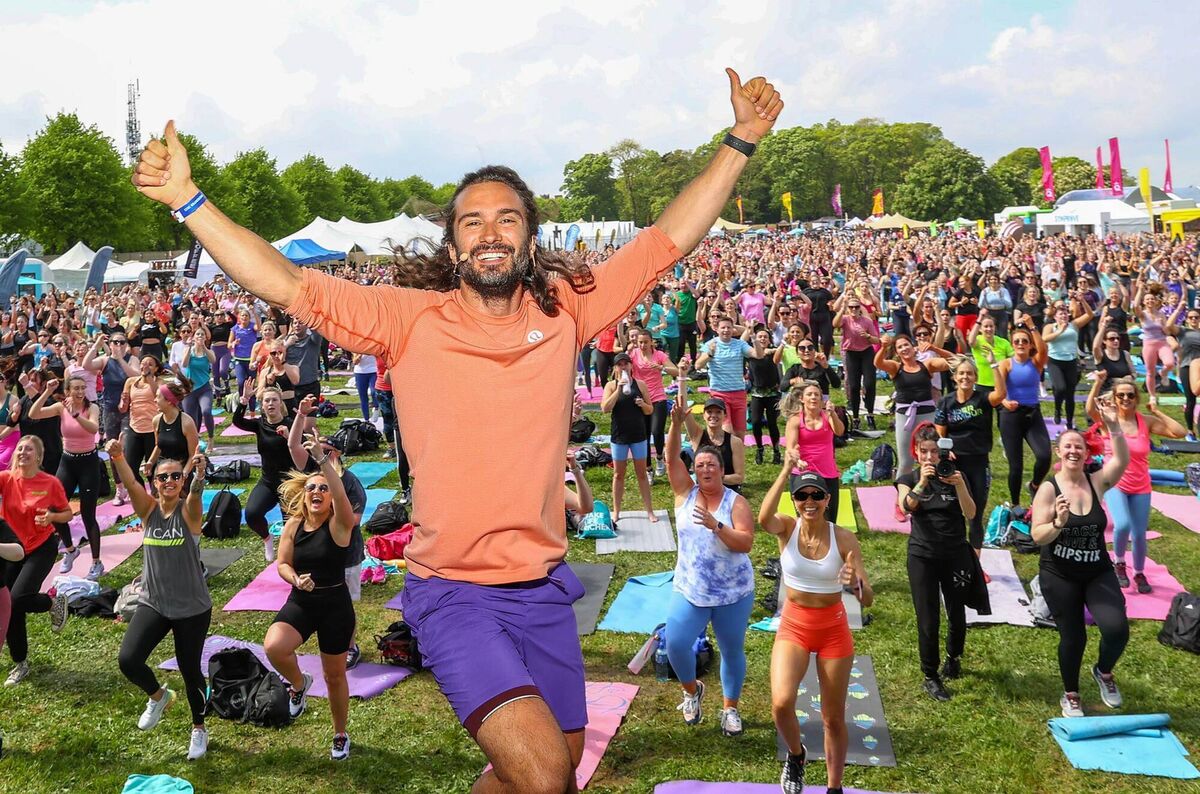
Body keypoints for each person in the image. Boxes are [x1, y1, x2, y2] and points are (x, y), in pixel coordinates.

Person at [133, 66, 782, 791]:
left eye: (507, 219)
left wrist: (742, 140)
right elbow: (282, 281)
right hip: (453, 595)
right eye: (471, 222)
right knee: (541, 777)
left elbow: (667, 240)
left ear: (531, 240)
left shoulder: (568, 306)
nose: (490, 233)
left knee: (554, 776)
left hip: (542, 589)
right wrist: (188, 201)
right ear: (453, 247)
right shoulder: (409, 321)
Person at [760, 464, 872, 794]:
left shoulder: (844, 538)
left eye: (817, 495)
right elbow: (764, 518)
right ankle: (796, 756)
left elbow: (868, 600)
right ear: (793, 500)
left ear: (827, 500)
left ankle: (834, 787)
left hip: (833, 630)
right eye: (802, 495)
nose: (809, 501)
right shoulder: (787, 528)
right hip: (794, 625)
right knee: (781, 704)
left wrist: (857, 586)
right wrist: (783, 473)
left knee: (832, 717)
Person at [109, 442, 212, 760]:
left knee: (190, 669)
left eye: (175, 477)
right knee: (128, 660)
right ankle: (158, 696)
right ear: (154, 482)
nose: (169, 481)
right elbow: (130, 483)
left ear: (182, 480)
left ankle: (198, 728)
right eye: (163, 477)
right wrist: (117, 456)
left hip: (191, 607)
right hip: (153, 602)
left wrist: (198, 478)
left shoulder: (189, 510)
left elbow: (195, 496)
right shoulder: (149, 511)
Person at [1031, 406, 1130, 718]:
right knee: (1074, 637)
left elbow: (1122, 461)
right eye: (1068, 446)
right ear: (1059, 451)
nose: (1073, 450)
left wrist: (1114, 426)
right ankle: (1071, 694)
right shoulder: (1049, 488)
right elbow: (1038, 536)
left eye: (1079, 446)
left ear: (1088, 452)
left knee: (1116, 629)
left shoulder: (1095, 481)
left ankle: (1103, 672)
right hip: (1059, 574)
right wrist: (1058, 523)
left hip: (1097, 570)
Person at [663, 400, 755, 736]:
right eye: (700, 465)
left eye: (711, 465)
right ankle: (692, 691)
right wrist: (675, 424)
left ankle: (730, 708)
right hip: (691, 588)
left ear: (720, 469)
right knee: (675, 643)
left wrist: (717, 526)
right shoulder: (684, 494)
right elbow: (670, 458)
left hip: (733, 592)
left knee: (732, 649)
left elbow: (745, 543)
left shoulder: (736, 503)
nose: (705, 470)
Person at [265, 432, 356, 760]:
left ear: (331, 497)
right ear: (303, 496)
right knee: (274, 646)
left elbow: (344, 499)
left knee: (334, 676)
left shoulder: (339, 526)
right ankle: (299, 683)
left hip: (334, 606)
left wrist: (321, 460)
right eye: (312, 487)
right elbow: (282, 563)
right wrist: (294, 579)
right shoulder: (293, 524)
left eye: (324, 488)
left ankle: (340, 733)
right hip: (302, 602)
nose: (317, 491)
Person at [896, 423, 984, 701]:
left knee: (957, 612)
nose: (930, 457)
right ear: (917, 453)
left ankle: (953, 657)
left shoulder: (957, 476)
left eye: (935, 452)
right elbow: (906, 507)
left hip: (956, 552)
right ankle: (930, 675)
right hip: (923, 554)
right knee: (928, 617)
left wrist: (959, 485)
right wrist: (922, 481)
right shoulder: (908, 478)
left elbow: (971, 513)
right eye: (925, 452)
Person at [288, 395, 369, 668]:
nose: (322, 456)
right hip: (318, 552)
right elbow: (292, 445)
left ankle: (350, 646)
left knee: (345, 604)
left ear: (338, 454)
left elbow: (354, 519)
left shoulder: (351, 482)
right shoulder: (314, 474)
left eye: (328, 452)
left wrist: (327, 517)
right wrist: (300, 416)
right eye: (319, 451)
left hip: (346, 552)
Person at [1085, 374, 1186, 593]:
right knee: (1122, 525)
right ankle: (1119, 562)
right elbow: (1089, 409)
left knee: (1139, 533)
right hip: (1115, 482)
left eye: (1130, 395)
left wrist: (1156, 411)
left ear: (1136, 398)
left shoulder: (1144, 421)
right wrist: (1098, 382)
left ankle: (1139, 572)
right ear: (1114, 398)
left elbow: (1180, 432)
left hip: (1141, 484)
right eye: (1120, 395)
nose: (1125, 399)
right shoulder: (1108, 421)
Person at [1, 436, 72, 686]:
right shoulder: (6, 479)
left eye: (28, 449)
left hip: (41, 547)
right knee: (10, 608)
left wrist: (52, 515)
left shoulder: (49, 483)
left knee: (17, 598)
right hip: (13, 548)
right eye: (19, 448)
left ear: (39, 456)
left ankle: (52, 602)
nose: (22, 452)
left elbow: (67, 513)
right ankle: (20, 663)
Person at [27, 376, 104, 579]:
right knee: (53, 510)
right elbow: (33, 413)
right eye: (75, 389)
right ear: (68, 391)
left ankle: (96, 562)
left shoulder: (92, 408)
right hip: (67, 462)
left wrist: (77, 415)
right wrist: (46, 392)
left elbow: (94, 429)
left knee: (88, 515)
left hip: (88, 462)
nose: (80, 392)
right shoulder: (61, 407)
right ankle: (70, 550)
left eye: (82, 388)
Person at [934, 355, 1007, 554]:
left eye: (969, 373)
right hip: (954, 463)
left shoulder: (982, 399)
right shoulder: (946, 402)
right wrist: (945, 451)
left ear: (975, 377)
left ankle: (976, 562)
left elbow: (1000, 394)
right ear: (954, 377)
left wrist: (993, 365)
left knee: (976, 514)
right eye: (962, 373)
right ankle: (953, 556)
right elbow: (940, 430)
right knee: (952, 511)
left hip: (978, 463)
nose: (965, 377)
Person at [233, 381, 294, 562]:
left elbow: (303, 448)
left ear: (280, 403)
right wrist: (244, 400)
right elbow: (237, 421)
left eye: (274, 400)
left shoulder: (290, 423)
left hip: (290, 482)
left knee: (290, 526)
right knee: (251, 514)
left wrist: (289, 436)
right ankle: (267, 540)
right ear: (262, 405)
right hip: (268, 481)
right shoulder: (259, 425)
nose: (270, 404)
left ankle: (288, 557)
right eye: (267, 400)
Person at [874, 334, 950, 479]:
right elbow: (878, 363)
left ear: (913, 347)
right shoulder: (896, 367)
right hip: (905, 416)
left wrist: (934, 348)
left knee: (932, 456)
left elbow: (953, 361)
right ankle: (902, 494)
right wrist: (883, 347)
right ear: (896, 352)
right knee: (906, 461)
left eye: (906, 345)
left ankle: (933, 489)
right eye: (900, 347)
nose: (904, 349)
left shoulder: (927, 364)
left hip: (927, 413)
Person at [996, 320, 1050, 505]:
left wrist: (1032, 327)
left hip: (1032, 413)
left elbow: (1043, 350)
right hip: (1011, 416)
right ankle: (1015, 504)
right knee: (1016, 466)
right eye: (1017, 341)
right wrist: (1004, 401)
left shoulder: (1036, 363)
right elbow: (998, 391)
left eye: (1024, 341)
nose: (1020, 344)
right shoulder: (1006, 364)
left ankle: (1034, 485)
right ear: (1012, 344)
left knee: (1044, 456)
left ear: (1029, 345)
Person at [83, 332, 139, 504]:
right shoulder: (105, 360)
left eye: (122, 342)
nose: (119, 345)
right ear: (111, 344)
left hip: (129, 410)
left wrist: (121, 359)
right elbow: (86, 365)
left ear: (126, 344)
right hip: (109, 410)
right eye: (115, 342)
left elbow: (134, 376)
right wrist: (97, 345)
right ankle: (119, 488)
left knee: (127, 448)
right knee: (112, 448)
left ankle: (131, 485)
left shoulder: (132, 359)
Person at [600, 352, 656, 523]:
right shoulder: (611, 385)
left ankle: (649, 511)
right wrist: (618, 389)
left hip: (638, 435)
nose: (623, 367)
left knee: (641, 474)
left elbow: (650, 410)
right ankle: (616, 511)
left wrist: (642, 404)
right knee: (618, 475)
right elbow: (604, 408)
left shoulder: (640, 385)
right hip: (619, 436)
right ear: (616, 368)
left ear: (631, 366)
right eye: (620, 364)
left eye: (626, 364)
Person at [781, 382, 844, 522]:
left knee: (830, 519)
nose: (813, 397)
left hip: (828, 472)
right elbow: (790, 448)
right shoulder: (795, 420)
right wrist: (798, 460)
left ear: (822, 400)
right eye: (809, 394)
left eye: (817, 395)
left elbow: (839, 431)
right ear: (802, 399)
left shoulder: (827, 417)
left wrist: (832, 413)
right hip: (802, 473)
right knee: (805, 518)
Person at [694, 317, 765, 438]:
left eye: (728, 327)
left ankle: (737, 457)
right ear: (717, 329)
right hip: (719, 393)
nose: (726, 330)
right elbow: (697, 365)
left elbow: (759, 355)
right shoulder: (710, 344)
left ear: (733, 329)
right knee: (727, 431)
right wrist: (710, 354)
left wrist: (753, 337)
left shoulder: (740, 344)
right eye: (723, 328)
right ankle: (725, 456)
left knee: (739, 434)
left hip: (738, 392)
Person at [629, 327, 678, 478]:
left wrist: (662, 367)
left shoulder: (659, 355)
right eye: (640, 342)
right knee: (643, 435)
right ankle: (648, 469)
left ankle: (659, 458)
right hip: (640, 400)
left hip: (658, 398)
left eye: (645, 342)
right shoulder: (633, 355)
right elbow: (622, 368)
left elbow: (676, 371)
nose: (643, 345)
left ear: (652, 342)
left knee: (657, 431)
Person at [1042, 299, 1094, 430]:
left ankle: (1070, 422)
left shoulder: (1074, 325)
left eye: (1065, 313)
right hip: (1055, 361)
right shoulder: (1050, 327)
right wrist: (1060, 330)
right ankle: (1057, 409)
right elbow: (1045, 339)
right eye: (1060, 314)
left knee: (1070, 393)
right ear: (1055, 316)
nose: (1064, 316)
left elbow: (1090, 315)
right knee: (1060, 388)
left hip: (1071, 362)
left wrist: (1082, 301)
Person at [833, 294, 882, 431]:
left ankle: (870, 414)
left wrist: (867, 336)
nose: (853, 309)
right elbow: (835, 324)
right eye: (851, 307)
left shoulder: (866, 321)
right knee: (854, 386)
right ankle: (855, 417)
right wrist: (842, 309)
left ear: (860, 308)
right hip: (851, 353)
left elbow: (876, 340)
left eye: (856, 307)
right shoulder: (845, 319)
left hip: (866, 353)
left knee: (869, 384)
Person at [144, 378, 200, 481]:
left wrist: (184, 474)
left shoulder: (186, 422)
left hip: (182, 471)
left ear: (169, 401)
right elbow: (158, 446)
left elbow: (193, 454)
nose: (155, 400)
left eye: (157, 397)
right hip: (162, 471)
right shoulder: (156, 420)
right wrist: (150, 462)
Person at [120, 356, 164, 486]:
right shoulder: (130, 382)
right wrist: (123, 401)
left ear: (156, 369)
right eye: (143, 364)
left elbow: (158, 394)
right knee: (130, 469)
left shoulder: (160, 382)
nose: (145, 366)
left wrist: (149, 377)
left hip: (153, 431)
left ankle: (157, 498)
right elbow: (123, 409)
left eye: (150, 364)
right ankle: (142, 497)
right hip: (135, 429)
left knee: (154, 470)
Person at [746, 326, 783, 464]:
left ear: (769, 340)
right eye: (759, 336)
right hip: (757, 394)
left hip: (773, 393)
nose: (762, 339)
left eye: (765, 337)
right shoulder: (750, 353)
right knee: (755, 422)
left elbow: (781, 352)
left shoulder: (773, 352)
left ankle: (776, 450)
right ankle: (760, 449)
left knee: (772, 423)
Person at [180, 330, 217, 443]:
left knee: (206, 411)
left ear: (205, 337)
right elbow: (184, 364)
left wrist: (204, 347)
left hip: (204, 388)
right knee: (191, 419)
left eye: (202, 334)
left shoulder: (209, 351)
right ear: (194, 337)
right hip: (190, 389)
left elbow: (213, 360)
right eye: (198, 334)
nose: (200, 336)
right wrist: (190, 347)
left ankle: (210, 438)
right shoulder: (188, 350)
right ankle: (194, 442)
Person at [0, 371, 21, 469]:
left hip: (10, 441)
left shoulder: (13, 400)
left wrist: (0, 437)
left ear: (4, 382)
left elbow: (13, 425)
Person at [351, 352, 377, 421]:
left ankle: (376, 407)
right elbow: (355, 362)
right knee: (363, 397)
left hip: (374, 371)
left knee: (374, 392)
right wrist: (361, 353)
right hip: (360, 372)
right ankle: (366, 419)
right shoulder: (356, 346)